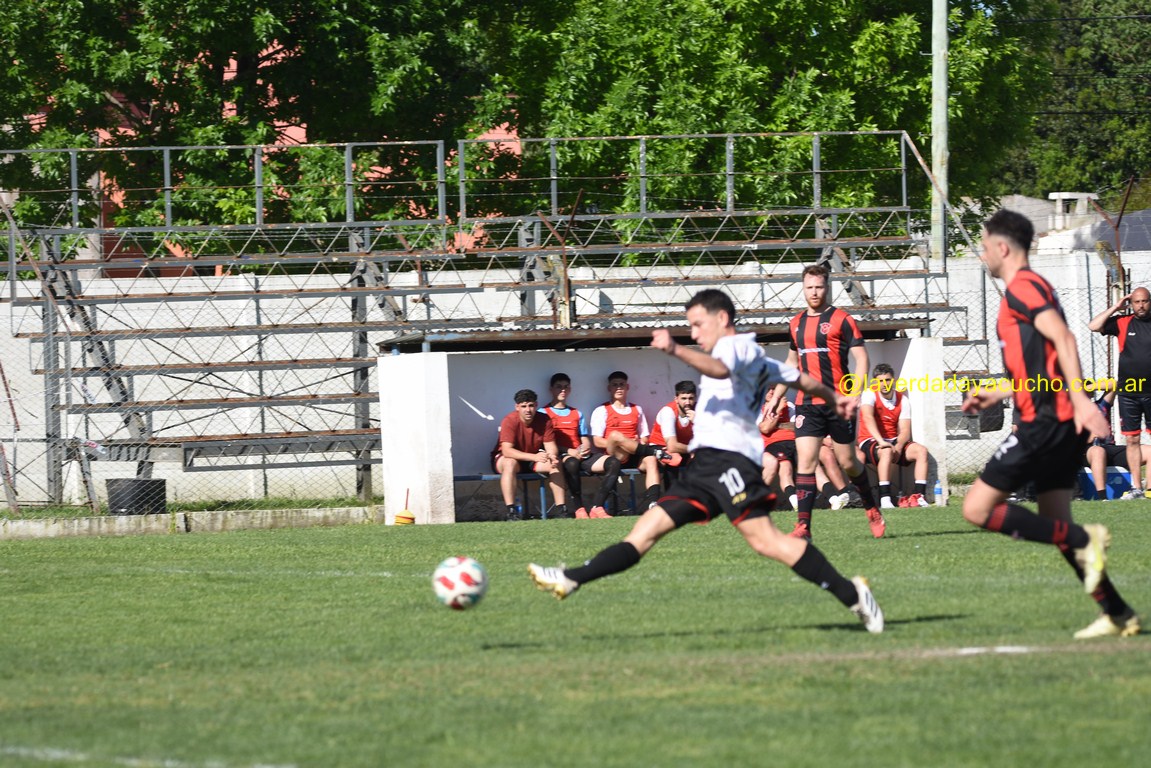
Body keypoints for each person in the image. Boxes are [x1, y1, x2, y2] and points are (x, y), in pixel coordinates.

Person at [528, 289, 885, 633]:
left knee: (767, 542)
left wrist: (676, 349)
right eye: (690, 328)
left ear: (722, 318)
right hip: (703, 468)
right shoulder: (756, 359)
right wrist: (832, 397)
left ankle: (853, 594)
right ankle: (571, 578)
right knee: (645, 531)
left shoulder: (734, 350)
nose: (694, 333)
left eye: (698, 325)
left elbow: (718, 370)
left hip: (731, 464)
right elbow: (800, 378)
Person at [960, 208, 1139, 639]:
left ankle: (1085, 538)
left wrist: (1081, 402)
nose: (983, 255)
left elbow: (1064, 338)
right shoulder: (1029, 289)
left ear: (1003, 248)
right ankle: (1117, 612)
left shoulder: (1023, 288)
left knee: (977, 508)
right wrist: (1002, 391)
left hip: (1045, 423)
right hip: (1052, 418)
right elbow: (1043, 363)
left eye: (984, 247)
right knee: (1054, 523)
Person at [776, 264, 886, 540]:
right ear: (803, 288)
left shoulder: (842, 319)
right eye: (809, 287)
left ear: (827, 287)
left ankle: (872, 508)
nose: (814, 292)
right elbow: (791, 364)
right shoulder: (795, 323)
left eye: (819, 287)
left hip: (839, 402)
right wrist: (777, 395)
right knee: (806, 461)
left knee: (848, 461)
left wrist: (856, 393)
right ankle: (803, 526)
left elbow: (862, 359)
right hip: (806, 403)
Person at [1088, 285, 1151, 500]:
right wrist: (1116, 306)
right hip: (1129, 393)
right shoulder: (1123, 322)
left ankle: (1150, 489)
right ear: (1131, 303)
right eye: (1137, 302)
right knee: (1132, 440)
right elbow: (1093, 326)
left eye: (1144, 301)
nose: (1141, 305)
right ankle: (1136, 489)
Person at [544, 372, 623, 519]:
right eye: (558, 387)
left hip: (581, 454)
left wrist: (584, 448)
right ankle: (579, 508)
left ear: (570, 389)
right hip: (564, 455)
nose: (563, 390)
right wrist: (570, 451)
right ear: (551, 390)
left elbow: (584, 437)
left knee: (613, 462)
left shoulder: (576, 413)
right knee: (572, 463)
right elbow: (548, 441)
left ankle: (597, 507)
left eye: (566, 387)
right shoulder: (544, 413)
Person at [857, 363, 932, 508]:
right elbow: (867, 418)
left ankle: (919, 496)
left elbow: (905, 430)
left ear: (894, 380)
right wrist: (881, 442)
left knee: (921, 451)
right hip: (871, 439)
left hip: (893, 441)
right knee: (886, 451)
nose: (884, 384)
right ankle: (885, 498)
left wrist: (898, 446)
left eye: (888, 380)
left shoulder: (902, 400)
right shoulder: (869, 393)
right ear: (875, 382)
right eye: (880, 381)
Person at [589, 371, 662, 512]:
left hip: (634, 453)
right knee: (616, 436)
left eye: (621, 385)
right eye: (615, 385)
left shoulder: (637, 409)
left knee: (652, 460)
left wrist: (637, 441)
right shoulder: (602, 410)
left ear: (627, 387)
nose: (619, 388)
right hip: (615, 454)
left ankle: (654, 503)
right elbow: (597, 441)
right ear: (609, 388)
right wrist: (623, 443)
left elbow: (645, 437)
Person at [490, 388, 566, 521]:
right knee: (510, 463)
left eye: (531, 405)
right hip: (506, 459)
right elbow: (507, 451)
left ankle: (562, 510)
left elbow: (551, 446)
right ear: (517, 407)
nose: (528, 410)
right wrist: (534, 457)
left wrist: (552, 456)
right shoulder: (509, 420)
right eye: (523, 406)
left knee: (556, 463)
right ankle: (511, 511)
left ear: (536, 405)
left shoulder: (544, 419)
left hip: (532, 459)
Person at [1083, 388, 1151, 499]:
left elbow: (1112, 385)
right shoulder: (1070, 411)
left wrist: (1088, 386)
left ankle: (1149, 493)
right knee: (1098, 451)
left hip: (1110, 448)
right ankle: (1103, 497)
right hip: (1088, 450)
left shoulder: (1100, 406)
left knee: (1149, 451)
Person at [759, 393, 797, 509]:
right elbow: (765, 428)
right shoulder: (758, 407)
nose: (771, 392)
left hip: (794, 442)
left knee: (813, 465)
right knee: (784, 467)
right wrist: (779, 410)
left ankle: (835, 498)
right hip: (772, 445)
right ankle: (795, 501)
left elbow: (797, 426)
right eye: (768, 389)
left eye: (774, 389)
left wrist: (775, 424)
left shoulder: (789, 406)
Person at [648, 380, 697, 468]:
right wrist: (694, 449)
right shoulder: (668, 411)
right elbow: (672, 447)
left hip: (683, 448)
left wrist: (698, 423)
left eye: (691, 398)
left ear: (695, 398)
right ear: (676, 399)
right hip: (661, 447)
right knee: (674, 459)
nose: (687, 403)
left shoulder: (699, 411)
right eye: (684, 398)